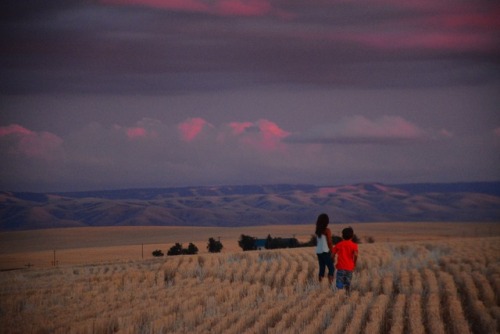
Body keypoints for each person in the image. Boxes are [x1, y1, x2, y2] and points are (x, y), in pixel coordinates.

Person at [332, 226, 358, 293]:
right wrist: (354, 263)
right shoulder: (354, 245)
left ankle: (339, 294)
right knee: (347, 283)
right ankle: (347, 294)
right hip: (349, 267)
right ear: (352, 236)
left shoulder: (339, 244)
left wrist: (333, 259)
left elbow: (333, 253)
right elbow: (355, 255)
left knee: (339, 282)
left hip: (340, 267)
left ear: (342, 236)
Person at [315, 213, 335, 285]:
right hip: (325, 251)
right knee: (331, 268)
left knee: (322, 268)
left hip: (319, 251)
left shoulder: (318, 231)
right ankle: (331, 285)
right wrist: (332, 252)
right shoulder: (327, 230)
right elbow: (329, 242)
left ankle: (320, 285)